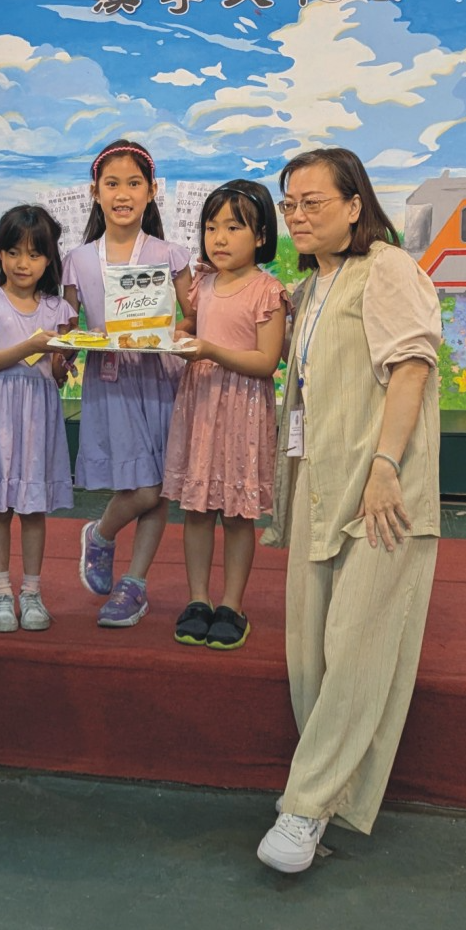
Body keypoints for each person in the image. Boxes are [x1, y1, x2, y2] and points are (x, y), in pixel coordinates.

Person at [256, 148, 442, 874]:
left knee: (359, 645)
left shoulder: (387, 269)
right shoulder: (310, 287)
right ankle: (326, 794)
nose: (297, 216)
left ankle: (304, 804)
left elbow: (412, 367)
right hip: (319, 484)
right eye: (289, 205)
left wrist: (386, 466)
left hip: (381, 491)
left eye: (313, 202)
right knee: (311, 654)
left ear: (355, 204)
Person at [62, 139, 195, 627]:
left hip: (160, 377)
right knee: (143, 485)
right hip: (111, 378)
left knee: (159, 486)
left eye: (134, 184)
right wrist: (72, 346)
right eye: (112, 184)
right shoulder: (77, 259)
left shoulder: (171, 254)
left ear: (152, 191)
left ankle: (134, 584)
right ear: (94, 192)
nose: (123, 194)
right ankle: (100, 534)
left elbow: (192, 316)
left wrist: (171, 334)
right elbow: (67, 323)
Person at [162, 180, 289, 650]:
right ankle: (198, 600)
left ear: (261, 236)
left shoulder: (268, 291)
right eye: (212, 227)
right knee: (197, 510)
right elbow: (191, 324)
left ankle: (232, 605)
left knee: (237, 515)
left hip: (243, 410)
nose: (219, 237)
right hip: (201, 405)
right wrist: (181, 333)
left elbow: (267, 361)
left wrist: (210, 350)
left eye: (234, 227)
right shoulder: (203, 284)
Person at [0, 204, 77, 632]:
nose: (22, 263)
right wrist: (32, 345)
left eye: (34, 254)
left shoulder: (58, 310)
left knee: (33, 509)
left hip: (39, 416)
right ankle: (0, 592)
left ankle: (31, 592)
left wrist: (64, 359)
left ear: (48, 260)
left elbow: (57, 372)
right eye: (13, 252)